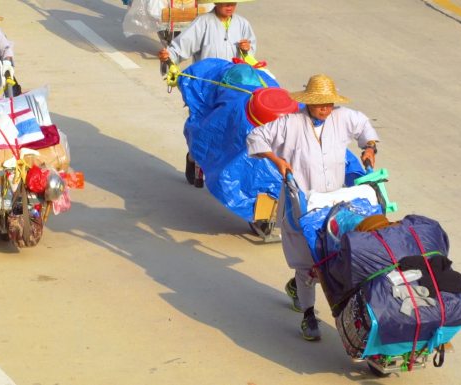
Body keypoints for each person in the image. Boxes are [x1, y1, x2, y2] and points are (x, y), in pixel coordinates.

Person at [246, 74, 380, 341]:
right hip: (302, 203)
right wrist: (276, 160)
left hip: (335, 203)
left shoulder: (342, 118)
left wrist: (370, 147)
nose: (326, 109)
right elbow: (256, 137)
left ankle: (299, 287)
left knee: (337, 256)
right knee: (308, 264)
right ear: (308, 102)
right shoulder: (290, 123)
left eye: (329, 103)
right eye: (320, 104)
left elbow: (364, 125)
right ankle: (308, 314)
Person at [158, 0, 257, 186]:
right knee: (201, 125)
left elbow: (251, 54)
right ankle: (193, 158)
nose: (229, 7)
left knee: (228, 128)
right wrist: (168, 57)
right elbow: (180, 46)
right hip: (206, 86)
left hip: (232, 88)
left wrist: (246, 50)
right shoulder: (203, 22)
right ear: (217, 3)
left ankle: (219, 169)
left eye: (233, 3)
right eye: (225, 3)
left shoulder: (243, 24)